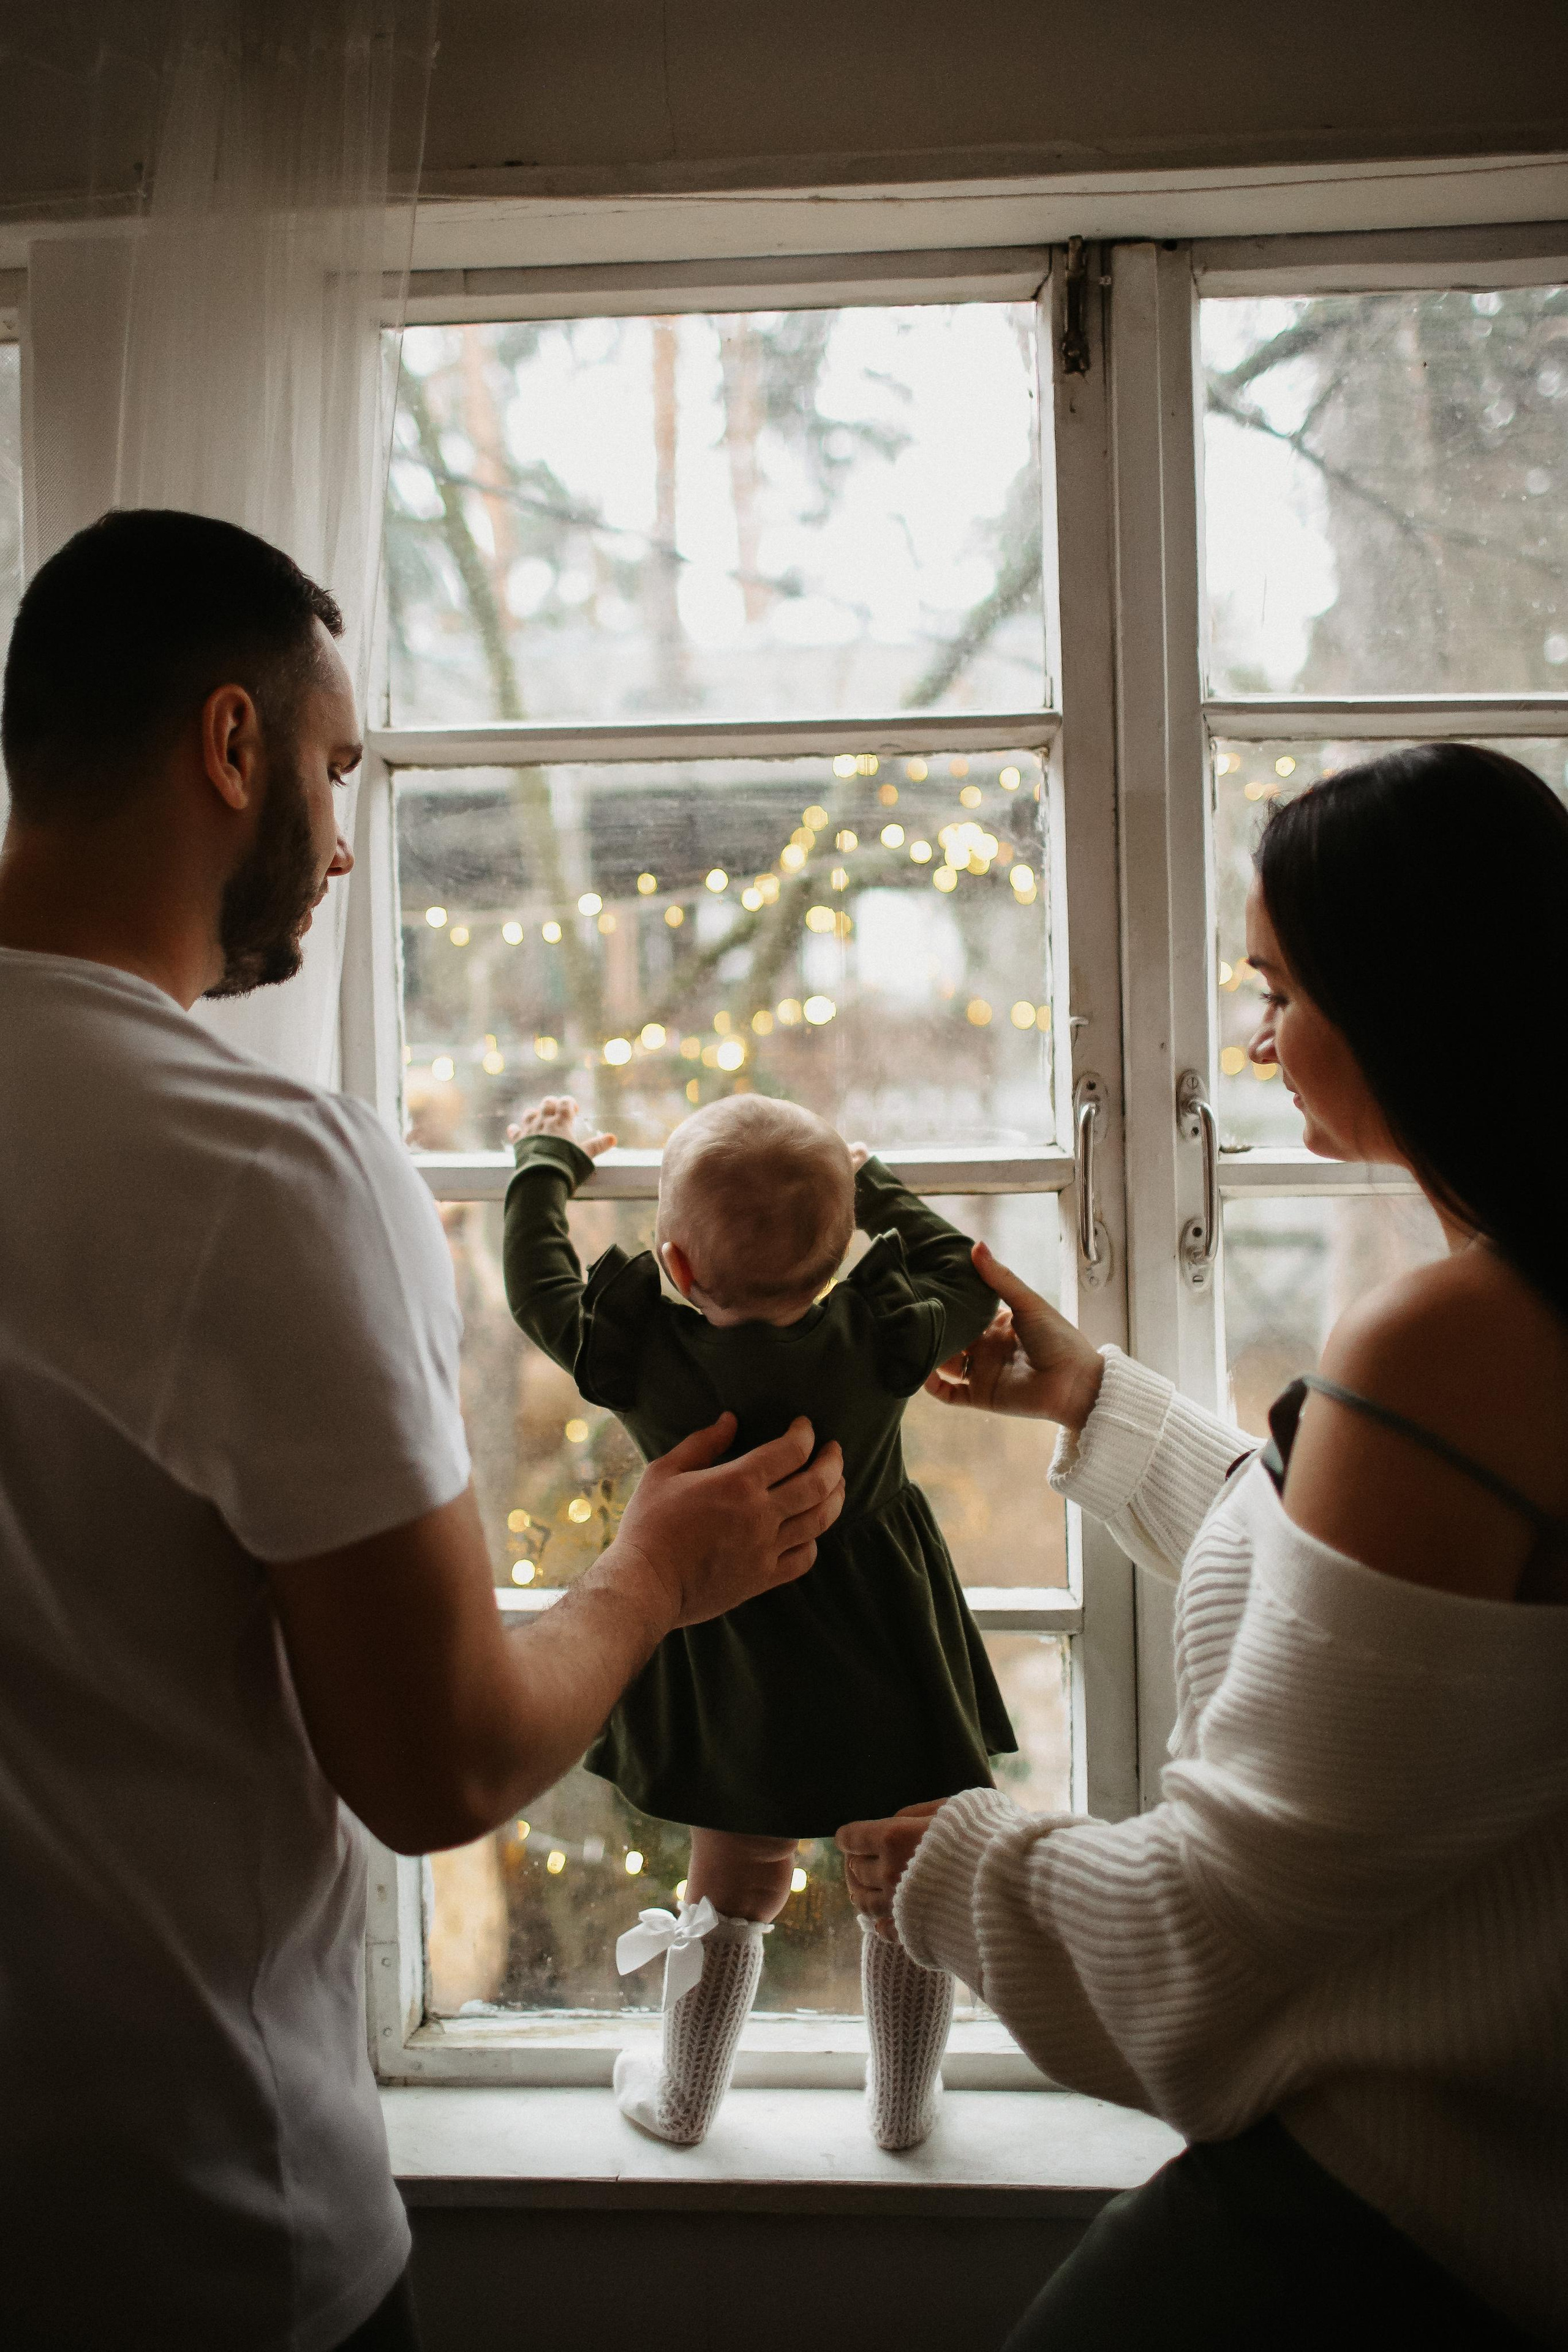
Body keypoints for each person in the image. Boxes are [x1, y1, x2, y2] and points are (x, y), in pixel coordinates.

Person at [0, 510, 845, 2352]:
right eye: (334, 767)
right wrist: (649, 1576)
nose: (344, 835)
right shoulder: (258, 1165)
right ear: (234, 749)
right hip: (197, 2234)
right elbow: (439, 1764)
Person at [838, 745, 1568, 2348]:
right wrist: (1098, 1405)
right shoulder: (1514, 1320)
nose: (1252, 1043)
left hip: (1399, 2222)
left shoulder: (1454, 1342)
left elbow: (1212, 1939)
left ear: (1413, 1002)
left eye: (1279, 991)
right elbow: (1415, 1663)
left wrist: (951, 1868)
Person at [502, 1090, 1014, 2150]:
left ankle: (685, 2099)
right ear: (831, 1264)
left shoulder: (645, 1359)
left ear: (678, 1270)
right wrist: (871, 1185)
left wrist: (544, 1162)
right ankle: (905, 2110)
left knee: (733, 1880)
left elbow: (538, 1285)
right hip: (884, 1629)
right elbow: (962, 1264)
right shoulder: (880, 1338)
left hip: (727, 1639)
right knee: (897, 1870)